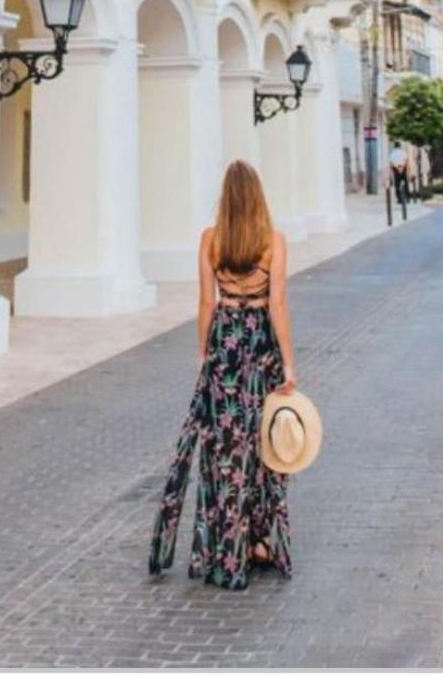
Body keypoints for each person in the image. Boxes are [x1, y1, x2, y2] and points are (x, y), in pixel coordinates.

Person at [149, 160, 295, 590]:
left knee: (222, 453)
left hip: (224, 345)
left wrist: (203, 350)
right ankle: (257, 543)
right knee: (261, 448)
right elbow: (278, 306)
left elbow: (205, 304)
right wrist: (288, 364)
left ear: (225, 198)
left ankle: (219, 552)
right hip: (259, 350)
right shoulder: (274, 242)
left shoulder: (210, 240)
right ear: (257, 197)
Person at [389, 140, 409, 204]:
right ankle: (406, 197)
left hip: (396, 169)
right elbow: (406, 160)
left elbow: (391, 163)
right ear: (400, 146)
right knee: (405, 183)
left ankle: (399, 199)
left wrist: (397, 168)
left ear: (394, 146)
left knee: (397, 184)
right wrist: (402, 168)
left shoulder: (392, 153)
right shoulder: (403, 152)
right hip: (403, 169)